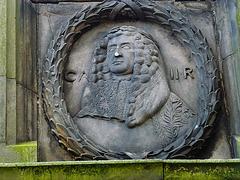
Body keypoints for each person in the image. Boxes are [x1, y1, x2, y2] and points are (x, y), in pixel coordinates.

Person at [75, 26, 194, 131]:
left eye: (125, 47)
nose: (117, 54)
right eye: (111, 49)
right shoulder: (92, 96)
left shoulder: (166, 100)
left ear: (143, 53)